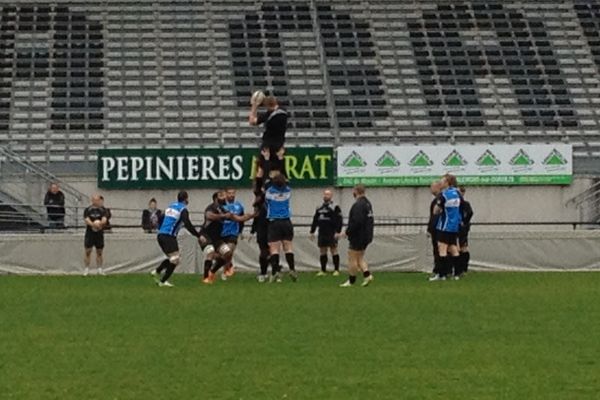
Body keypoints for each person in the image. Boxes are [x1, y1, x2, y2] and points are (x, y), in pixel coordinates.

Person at [202, 190, 254, 284]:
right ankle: (206, 277)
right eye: (221, 196)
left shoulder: (223, 209)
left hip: (219, 237)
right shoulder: (211, 208)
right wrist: (223, 216)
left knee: (227, 253)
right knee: (210, 253)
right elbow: (210, 216)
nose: (224, 197)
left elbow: (238, 218)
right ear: (216, 199)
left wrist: (252, 215)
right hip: (206, 236)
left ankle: (213, 272)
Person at [151, 191, 201, 287]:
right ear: (186, 199)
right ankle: (160, 278)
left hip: (161, 235)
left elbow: (161, 217)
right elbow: (187, 223)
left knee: (173, 258)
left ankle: (159, 274)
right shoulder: (183, 210)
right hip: (169, 236)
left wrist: (160, 228)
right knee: (175, 259)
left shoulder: (171, 206)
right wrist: (197, 235)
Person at [248, 95, 288, 195]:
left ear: (266, 105)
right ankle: (281, 187)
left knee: (261, 169)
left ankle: (259, 190)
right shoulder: (284, 112)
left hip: (268, 144)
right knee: (279, 169)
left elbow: (252, 121)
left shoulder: (268, 115)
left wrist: (255, 106)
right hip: (279, 144)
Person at [339, 184, 374, 287]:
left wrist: (347, 232)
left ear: (356, 191)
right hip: (367, 234)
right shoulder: (368, 204)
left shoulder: (358, 205)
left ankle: (351, 280)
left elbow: (356, 222)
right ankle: (367, 275)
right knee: (360, 257)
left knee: (352, 257)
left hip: (358, 236)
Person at [429, 174, 462, 281]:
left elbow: (436, 211)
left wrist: (440, 209)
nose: (440, 183)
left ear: (447, 182)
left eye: (442, 181)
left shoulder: (444, 195)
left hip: (444, 226)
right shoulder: (457, 193)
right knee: (453, 249)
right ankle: (457, 273)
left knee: (441, 249)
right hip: (454, 226)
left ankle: (441, 275)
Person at [265, 172, 296, 283]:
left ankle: (275, 272)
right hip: (287, 221)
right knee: (288, 247)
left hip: (275, 221)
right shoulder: (288, 191)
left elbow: (266, 199)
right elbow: (287, 182)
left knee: (274, 249)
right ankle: (292, 269)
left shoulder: (270, 192)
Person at [310, 189, 343, 276]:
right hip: (322, 232)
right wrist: (312, 231)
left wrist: (338, 231)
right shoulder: (319, 207)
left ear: (331, 196)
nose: (326, 196)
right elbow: (315, 220)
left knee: (333, 250)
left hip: (331, 232)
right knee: (322, 250)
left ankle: (336, 270)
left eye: (328, 194)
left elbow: (340, 220)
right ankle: (323, 270)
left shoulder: (335, 207)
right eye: (325, 194)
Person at [220, 188, 245, 280]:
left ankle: (224, 272)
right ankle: (229, 265)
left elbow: (242, 220)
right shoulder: (221, 206)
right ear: (226, 194)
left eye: (233, 193)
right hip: (222, 233)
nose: (231, 195)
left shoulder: (239, 206)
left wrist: (240, 232)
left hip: (233, 233)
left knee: (228, 252)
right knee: (224, 254)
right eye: (229, 193)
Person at [83, 194, 109, 276]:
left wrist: (100, 224)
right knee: (88, 251)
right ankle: (86, 269)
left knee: (99, 251)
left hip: (99, 233)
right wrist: (93, 225)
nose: (96, 201)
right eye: (94, 200)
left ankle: (100, 269)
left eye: (98, 200)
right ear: (92, 200)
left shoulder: (103, 210)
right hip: (90, 233)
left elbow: (104, 219)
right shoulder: (88, 210)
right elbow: (86, 219)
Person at [251, 197, 270, 283]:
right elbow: (256, 217)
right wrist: (252, 231)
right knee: (264, 252)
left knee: (273, 251)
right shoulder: (259, 202)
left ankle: (275, 271)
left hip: (272, 228)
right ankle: (263, 272)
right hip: (262, 230)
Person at [457, 186, 474, 277]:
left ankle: (462, 268)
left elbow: (470, 213)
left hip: (461, 228)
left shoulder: (464, 204)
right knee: (459, 247)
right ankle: (460, 269)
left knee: (462, 247)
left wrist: (464, 222)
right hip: (458, 227)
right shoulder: (457, 203)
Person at [427, 181, 442, 278]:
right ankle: (438, 269)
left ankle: (440, 270)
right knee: (436, 250)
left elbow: (435, 215)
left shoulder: (440, 200)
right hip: (435, 228)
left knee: (439, 249)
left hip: (438, 228)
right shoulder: (435, 200)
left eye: (432, 187)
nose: (430, 189)